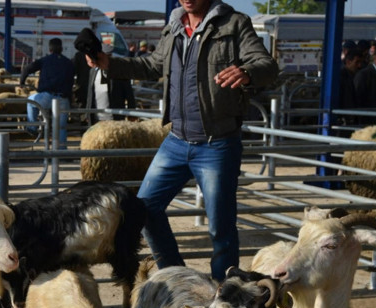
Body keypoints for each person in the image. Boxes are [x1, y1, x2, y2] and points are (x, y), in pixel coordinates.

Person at [87, 0, 278, 280]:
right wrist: (109, 63)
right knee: (144, 208)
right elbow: (152, 65)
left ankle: (223, 294)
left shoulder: (234, 24)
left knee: (220, 227)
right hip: (176, 140)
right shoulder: (174, 26)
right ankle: (177, 276)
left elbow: (268, 66)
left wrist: (247, 73)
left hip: (217, 143)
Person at [20, 38, 74, 147]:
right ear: (62, 49)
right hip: (63, 99)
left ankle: (32, 127)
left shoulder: (45, 60)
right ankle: (61, 151)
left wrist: (22, 82)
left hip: (47, 96)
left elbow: (27, 69)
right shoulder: (68, 63)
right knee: (61, 127)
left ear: (50, 49)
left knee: (31, 101)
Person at [86, 44, 136, 124]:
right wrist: (88, 113)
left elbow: (128, 92)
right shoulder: (93, 71)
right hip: (97, 118)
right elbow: (90, 93)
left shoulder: (119, 71)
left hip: (115, 117)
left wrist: (131, 112)